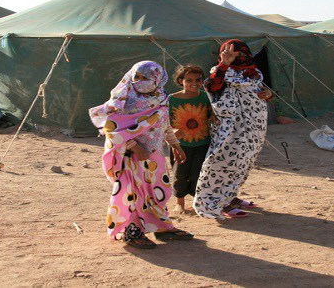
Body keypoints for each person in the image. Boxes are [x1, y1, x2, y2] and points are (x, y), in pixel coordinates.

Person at [89, 60, 194, 249]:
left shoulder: (161, 97)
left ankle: (161, 226)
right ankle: (131, 231)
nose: (138, 81)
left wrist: (175, 145)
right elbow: (112, 129)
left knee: (157, 190)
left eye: (145, 78)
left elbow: (164, 124)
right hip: (130, 157)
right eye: (136, 76)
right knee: (132, 193)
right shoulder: (123, 100)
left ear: (157, 80)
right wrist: (134, 147)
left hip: (153, 154)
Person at [193, 39, 272, 220]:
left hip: (254, 127)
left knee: (245, 161)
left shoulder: (254, 72)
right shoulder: (220, 71)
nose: (239, 58)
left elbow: (259, 91)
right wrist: (224, 64)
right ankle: (217, 203)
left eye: (241, 54)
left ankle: (230, 195)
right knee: (225, 162)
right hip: (230, 128)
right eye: (233, 54)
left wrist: (268, 94)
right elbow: (211, 87)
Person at [168, 64, 213, 214]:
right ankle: (179, 202)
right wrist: (173, 131)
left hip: (202, 142)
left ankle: (197, 201)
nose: (194, 83)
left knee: (198, 173)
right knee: (180, 173)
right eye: (189, 80)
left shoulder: (205, 97)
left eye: (198, 80)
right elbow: (164, 122)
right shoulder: (172, 100)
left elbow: (210, 114)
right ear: (181, 81)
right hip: (181, 144)